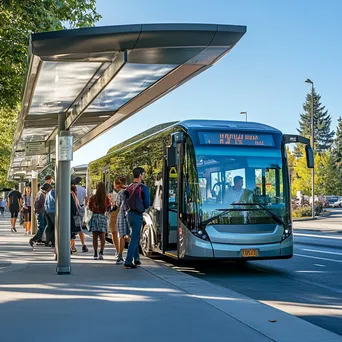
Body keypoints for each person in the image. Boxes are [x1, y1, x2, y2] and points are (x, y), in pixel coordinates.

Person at [124, 167, 150, 269]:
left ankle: (137, 259)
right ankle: (128, 261)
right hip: (137, 215)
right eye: (143, 174)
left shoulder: (129, 187)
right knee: (135, 238)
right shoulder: (143, 188)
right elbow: (147, 204)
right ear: (140, 175)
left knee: (133, 237)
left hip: (129, 214)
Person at [88, 182, 111, 260]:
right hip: (102, 217)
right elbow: (108, 209)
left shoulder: (93, 197)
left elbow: (89, 207)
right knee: (102, 237)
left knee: (94, 236)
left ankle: (95, 253)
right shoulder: (106, 198)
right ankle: (101, 252)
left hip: (95, 216)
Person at [114, 177, 131, 264]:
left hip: (121, 215)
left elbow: (117, 205)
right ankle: (134, 254)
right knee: (128, 235)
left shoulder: (120, 193)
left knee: (121, 236)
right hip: (129, 214)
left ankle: (120, 255)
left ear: (118, 184)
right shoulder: (129, 191)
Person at [70, 184, 88, 253]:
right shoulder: (82, 190)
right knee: (78, 228)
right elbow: (85, 200)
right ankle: (82, 245)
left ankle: (72, 246)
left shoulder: (70, 194)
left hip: (72, 213)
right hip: (78, 211)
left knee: (72, 230)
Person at [108, 183, 120, 256]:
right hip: (115, 214)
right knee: (115, 233)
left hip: (115, 214)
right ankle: (118, 252)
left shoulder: (115, 194)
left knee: (116, 233)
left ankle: (118, 252)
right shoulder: (111, 194)